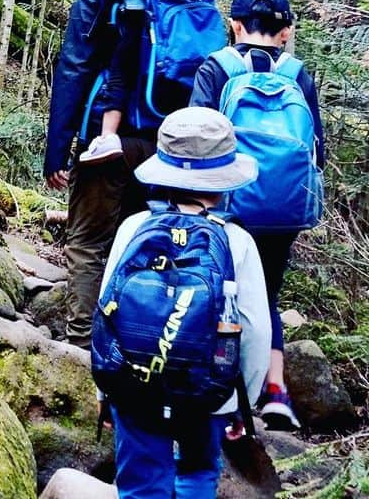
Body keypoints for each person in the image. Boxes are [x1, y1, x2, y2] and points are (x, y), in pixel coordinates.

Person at [96, 107, 270, 499]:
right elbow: (255, 328)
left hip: (134, 385)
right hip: (206, 394)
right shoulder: (237, 242)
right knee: (195, 474)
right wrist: (242, 401)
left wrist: (105, 392)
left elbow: (106, 312)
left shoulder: (133, 228)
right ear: (224, 180)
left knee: (140, 485)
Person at [190, 0, 325, 430]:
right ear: (286, 31)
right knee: (264, 294)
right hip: (284, 210)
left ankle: (227, 395)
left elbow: (198, 138)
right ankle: (275, 389)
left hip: (228, 203)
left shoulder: (219, 67)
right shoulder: (299, 74)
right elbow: (316, 151)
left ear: (234, 25)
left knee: (223, 292)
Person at [43, 0, 160, 349]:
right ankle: (132, 343)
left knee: (90, 241)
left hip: (103, 138)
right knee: (138, 243)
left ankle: (79, 347)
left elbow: (75, 69)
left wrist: (58, 147)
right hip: (160, 140)